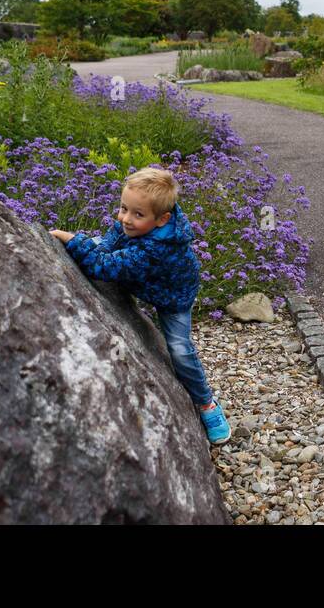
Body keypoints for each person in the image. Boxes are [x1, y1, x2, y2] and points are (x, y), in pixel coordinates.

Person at [48, 168, 231, 444]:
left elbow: (103, 266)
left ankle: (207, 404)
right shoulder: (137, 222)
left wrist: (71, 239)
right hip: (145, 278)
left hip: (173, 298)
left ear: (162, 220)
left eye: (137, 214)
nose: (126, 219)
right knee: (98, 245)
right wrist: (94, 245)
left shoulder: (154, 250)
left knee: (180, 350)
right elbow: (111, 243)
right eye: (123, 208)